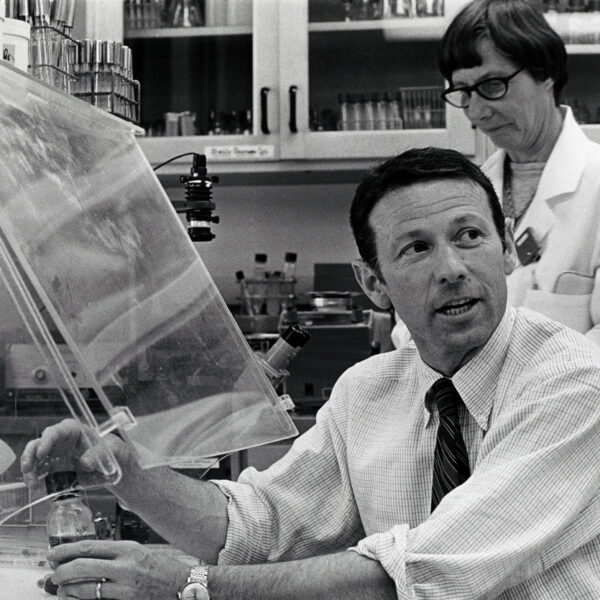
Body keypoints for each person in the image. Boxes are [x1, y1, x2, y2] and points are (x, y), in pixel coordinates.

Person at [21, 147, 600, 599]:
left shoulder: (571, 383)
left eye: (470, 236)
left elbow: (423, 575)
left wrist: (189, 587)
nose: (452, 268)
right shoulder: (369, 392)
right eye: (416, 248)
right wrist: (123, 468)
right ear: (373, 284)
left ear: (504, 251)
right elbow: (256, 527)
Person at [392, 0, 600, 348]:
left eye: (492, 85)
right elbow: (418, 319)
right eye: (463, 92)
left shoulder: (595, 186)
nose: (476, 111)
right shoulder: (468, 190)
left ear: (545, 73)